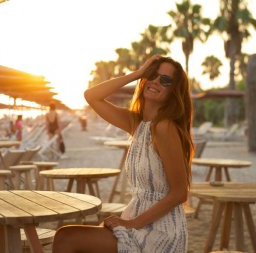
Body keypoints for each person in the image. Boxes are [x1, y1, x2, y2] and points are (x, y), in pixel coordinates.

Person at [52, 55, 194, 253]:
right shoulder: (137, 124)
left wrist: (133, 223)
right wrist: (138, 74)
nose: (155, 81)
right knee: (68, 237)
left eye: (165, 80)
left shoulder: (165, 127)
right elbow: (91, 96)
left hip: (160, 232)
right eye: (152, 75)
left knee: (67, 238)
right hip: (136, 219)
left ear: (173, 91)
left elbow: (179, 193)